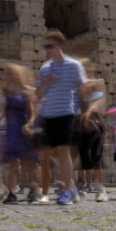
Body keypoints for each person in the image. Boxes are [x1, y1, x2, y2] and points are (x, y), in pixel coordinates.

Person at [32, 31, 87, 206]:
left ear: (60, 45)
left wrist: (84, 111)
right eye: (45, 46)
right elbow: (38, 94)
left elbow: (82, 89)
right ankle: (71, 188)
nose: (47, 50)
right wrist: (46, 82)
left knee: (63, 153)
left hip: (66, 113)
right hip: (48, 115)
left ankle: (66, 193)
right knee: (53, 155)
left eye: (50, 46)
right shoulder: (45, 68)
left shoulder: (74, 65)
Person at [0, 63, 37, 204]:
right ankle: (11, 192)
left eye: (10, 72)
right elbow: (2, 112)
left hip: (22, 129)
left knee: (28, 163)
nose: (8, 74)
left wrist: (29, 124)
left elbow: (32, 113)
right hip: (11, 130)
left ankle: (33, 188)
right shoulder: (7, 91)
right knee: (11, 163)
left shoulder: (26, 91)